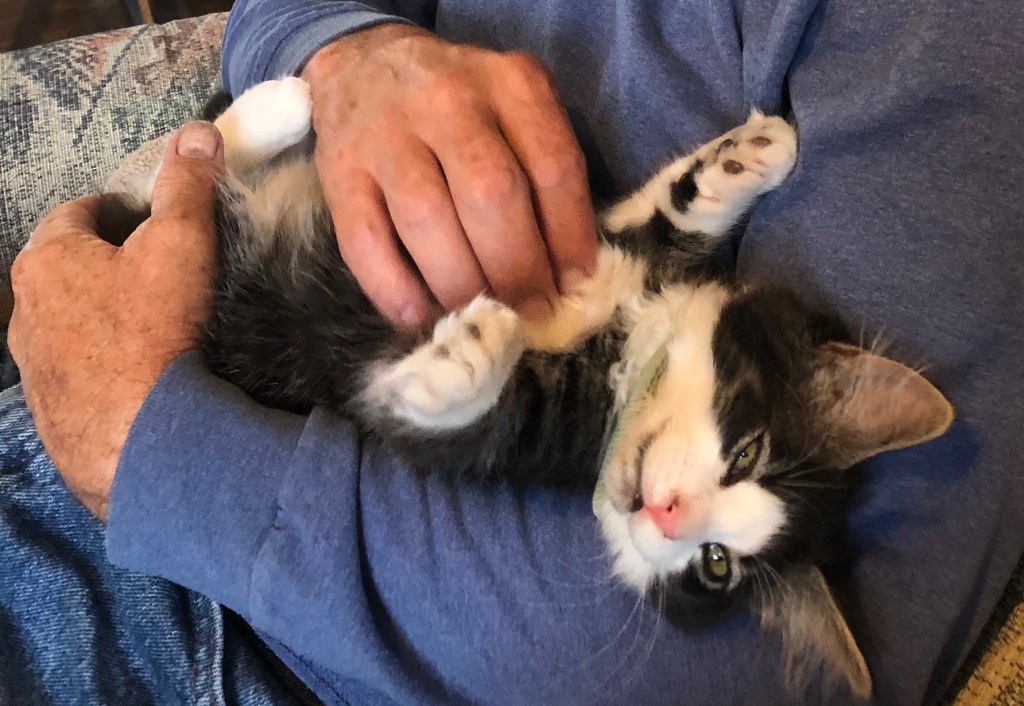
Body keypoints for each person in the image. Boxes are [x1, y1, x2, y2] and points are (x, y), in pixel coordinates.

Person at [4, 0, 1023, 704]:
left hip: (255, 620)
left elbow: (734, 678)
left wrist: (147, 438)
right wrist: (343, 42)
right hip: (169, 324)